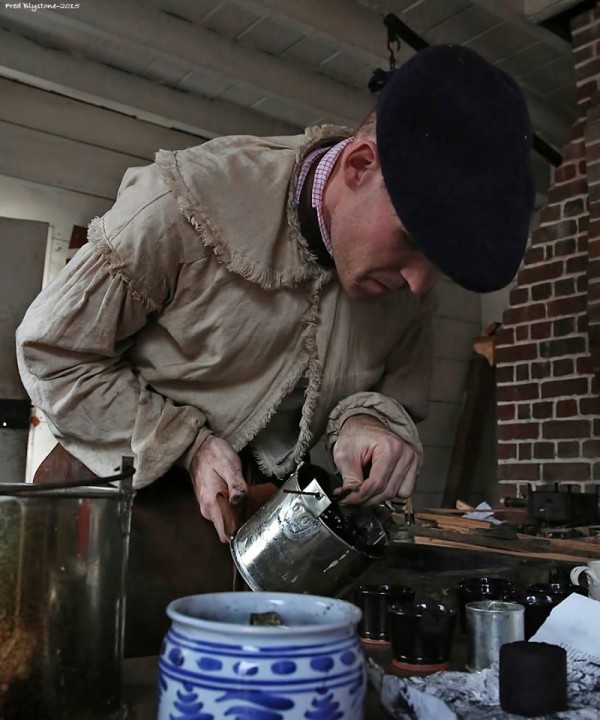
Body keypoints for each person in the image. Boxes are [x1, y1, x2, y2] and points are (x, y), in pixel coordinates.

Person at [16, 44, 534, 653]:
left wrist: (369, 420)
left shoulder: (404, 281)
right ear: (360, 165)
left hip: (260, 534)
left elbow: (391, 388)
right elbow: (54, 351)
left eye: (439, 265)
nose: (421, 284)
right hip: (112, 520)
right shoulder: (181, 204)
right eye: (413, 241)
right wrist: (185, 443)